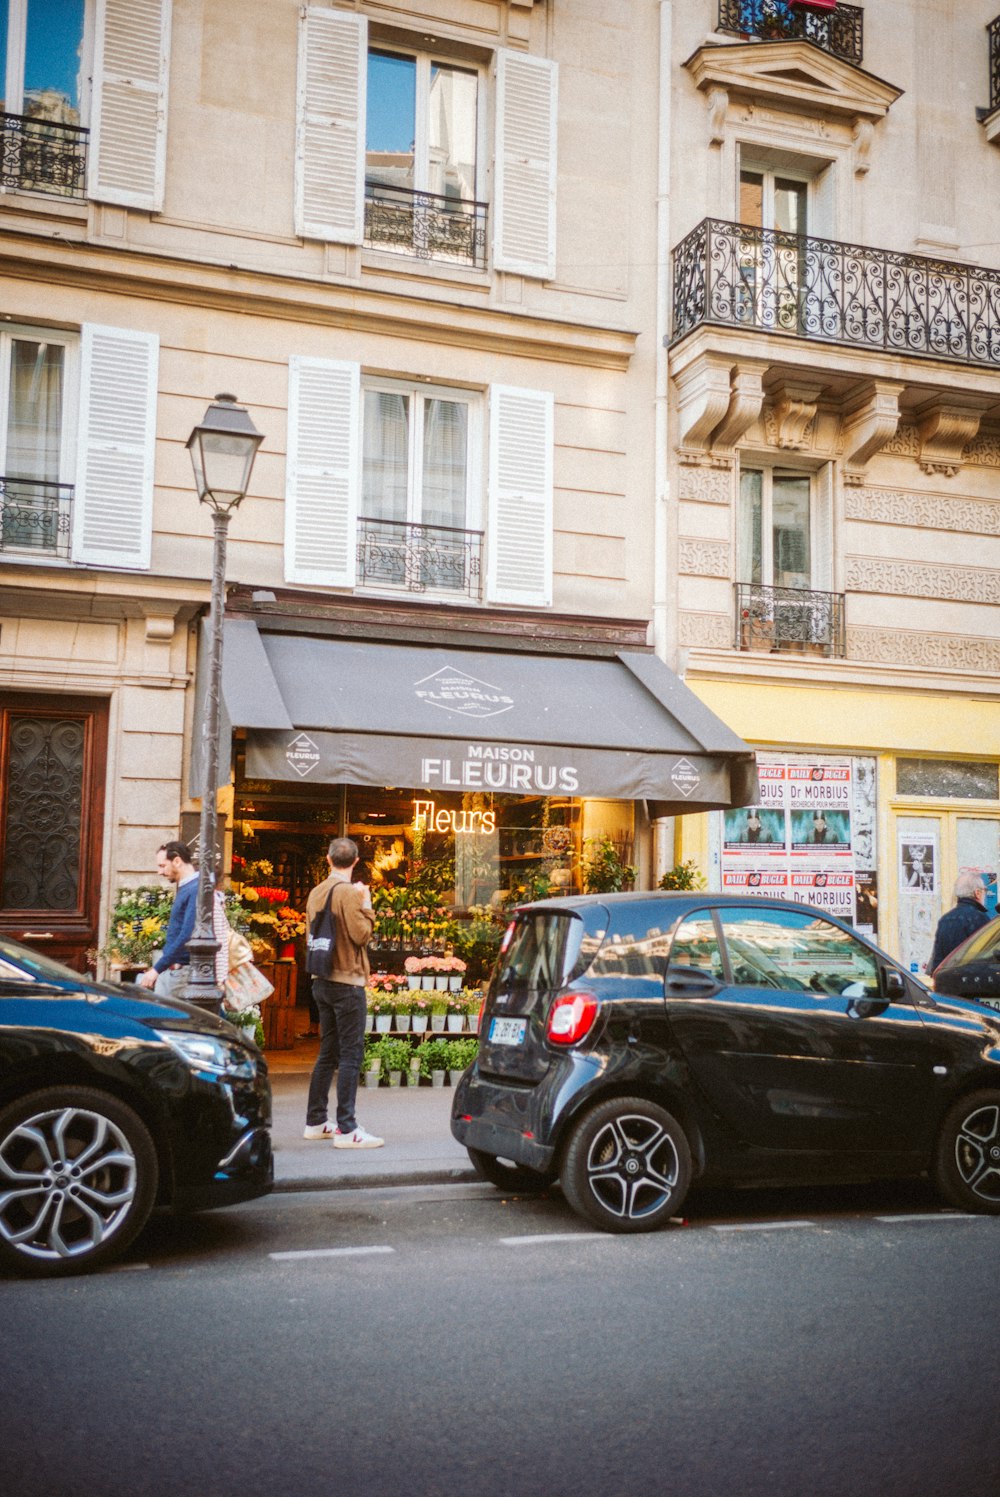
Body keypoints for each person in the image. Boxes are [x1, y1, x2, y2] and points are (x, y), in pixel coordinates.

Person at [303, 837, 384, 1148]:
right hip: (346, 981)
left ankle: (316, 1120)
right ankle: (348, 1129)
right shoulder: (350, 893)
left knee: (327, 1053)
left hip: (320, 979)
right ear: (356, 860)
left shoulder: (316, 892)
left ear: (328, 859)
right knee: (351, 1055)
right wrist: (367, 904)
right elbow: (362, 935)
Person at [137, 841, 198, 997]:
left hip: (181, 973)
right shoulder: (188, 887)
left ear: (177, 861)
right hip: (176, 970)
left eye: (162, 866)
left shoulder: (195, 888)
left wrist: (157, 969)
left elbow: (186, 935)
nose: (159, 872)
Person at [928, 872, 991, 974]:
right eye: (985, 891)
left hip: (947, 981)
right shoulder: (980, 919)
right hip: (973, 982)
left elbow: (937, 960)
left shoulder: (945, 919)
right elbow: (988, 957)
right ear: (977, 893)